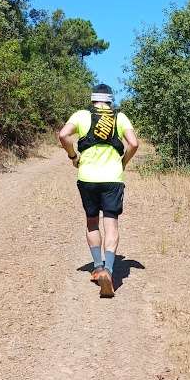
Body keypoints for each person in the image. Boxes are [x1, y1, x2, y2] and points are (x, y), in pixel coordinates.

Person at [58, 84, 139, 298]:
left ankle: (97, 267)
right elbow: (133, 143)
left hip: (87, 178)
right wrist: (124, 162)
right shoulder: (120, 118)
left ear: (93, 99)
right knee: (111, 224)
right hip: (112, 179)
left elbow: (63, 135)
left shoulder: (82, 115)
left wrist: (73, 156)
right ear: (110, 100)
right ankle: (109, 271)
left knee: (92, 222)